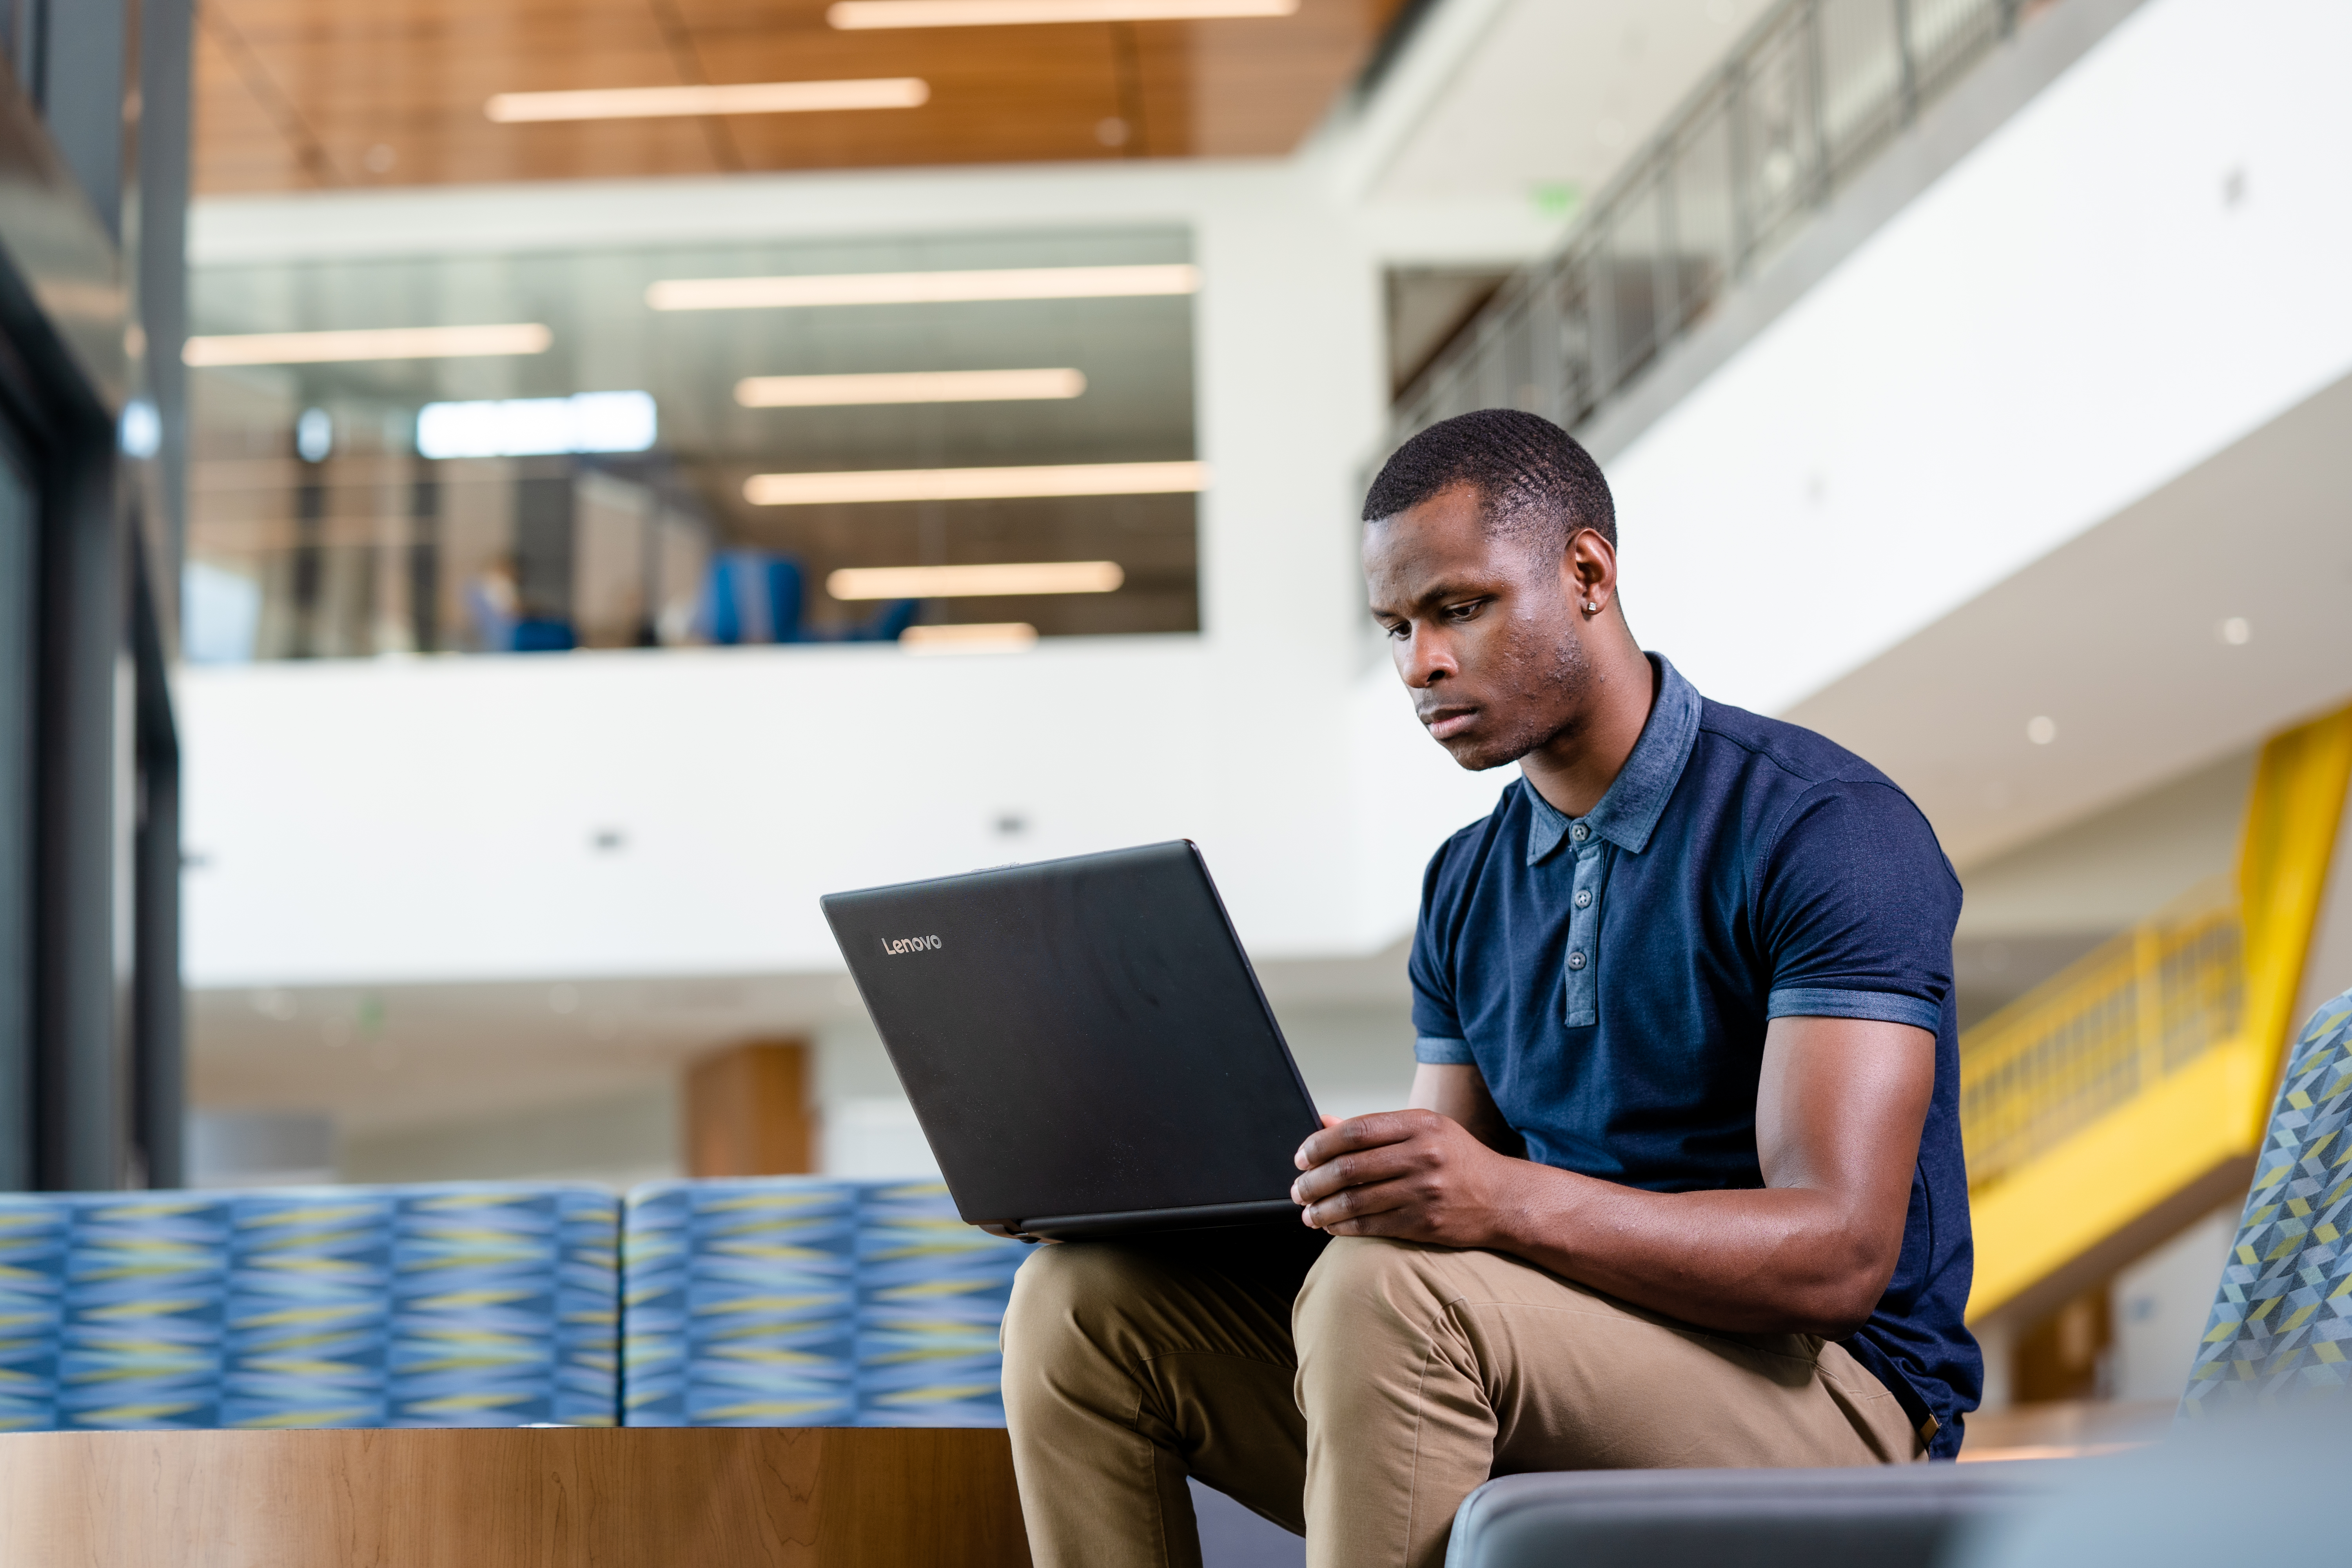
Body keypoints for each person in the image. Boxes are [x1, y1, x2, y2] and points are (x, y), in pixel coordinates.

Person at [998, 408, 1980, 1568]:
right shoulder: (1467, 883)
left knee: (1387, 1296)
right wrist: (1292, 1181)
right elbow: (1441, 1206)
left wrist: (1496, 1198)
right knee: (1079, 1306)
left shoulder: (1822, 829)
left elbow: (1835, 1257)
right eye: (1397, 628)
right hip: (1555, 1363)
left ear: (1586, 574)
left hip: (1832, 1405)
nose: (1422, 663)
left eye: (1459, 608)